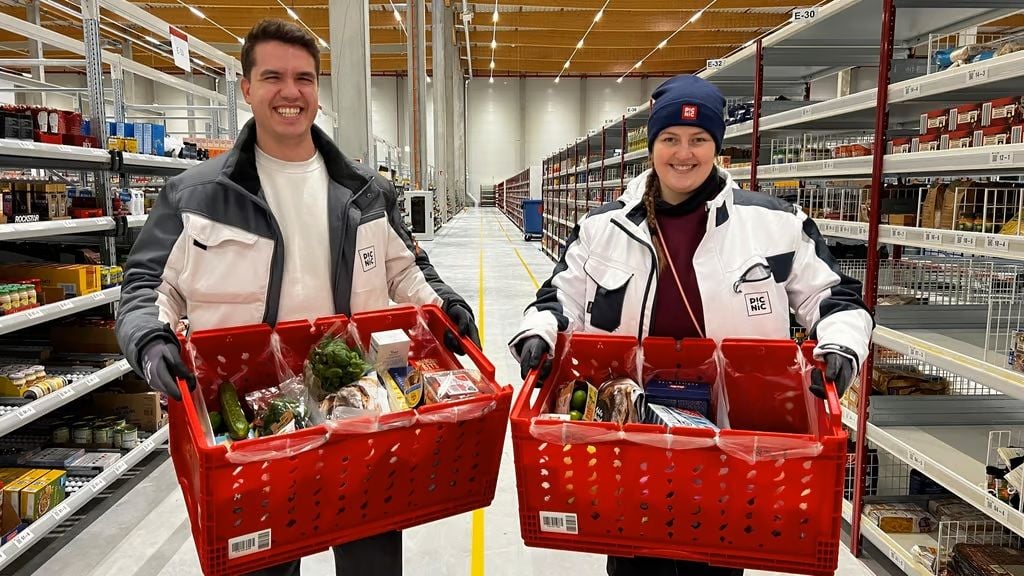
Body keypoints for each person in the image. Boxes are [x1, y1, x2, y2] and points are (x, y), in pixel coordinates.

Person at [115, 18, 480, 576]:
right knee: (264, 561)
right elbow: (148, 285)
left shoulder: (366, 189)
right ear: (246, 88)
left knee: (372, 558)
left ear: (318, 88)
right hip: (257, 420)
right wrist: (149, 340)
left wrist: (446, 307)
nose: (291, 92)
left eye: (305, 78)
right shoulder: (196, 194)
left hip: (360, 403)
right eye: (273, 77)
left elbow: (408, 270)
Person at [510, 74, 873, 576]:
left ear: (717, 146)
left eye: (699, 139)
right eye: (670, 139)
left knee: (720, 553)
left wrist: (841, 344)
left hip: (730, 435)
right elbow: (559, 296)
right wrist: (538, 332)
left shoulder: (774, 223)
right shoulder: (603, 227)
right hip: (630, 435)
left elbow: (835, 297)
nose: (685, 154)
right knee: (635, 558)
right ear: (652, 145)